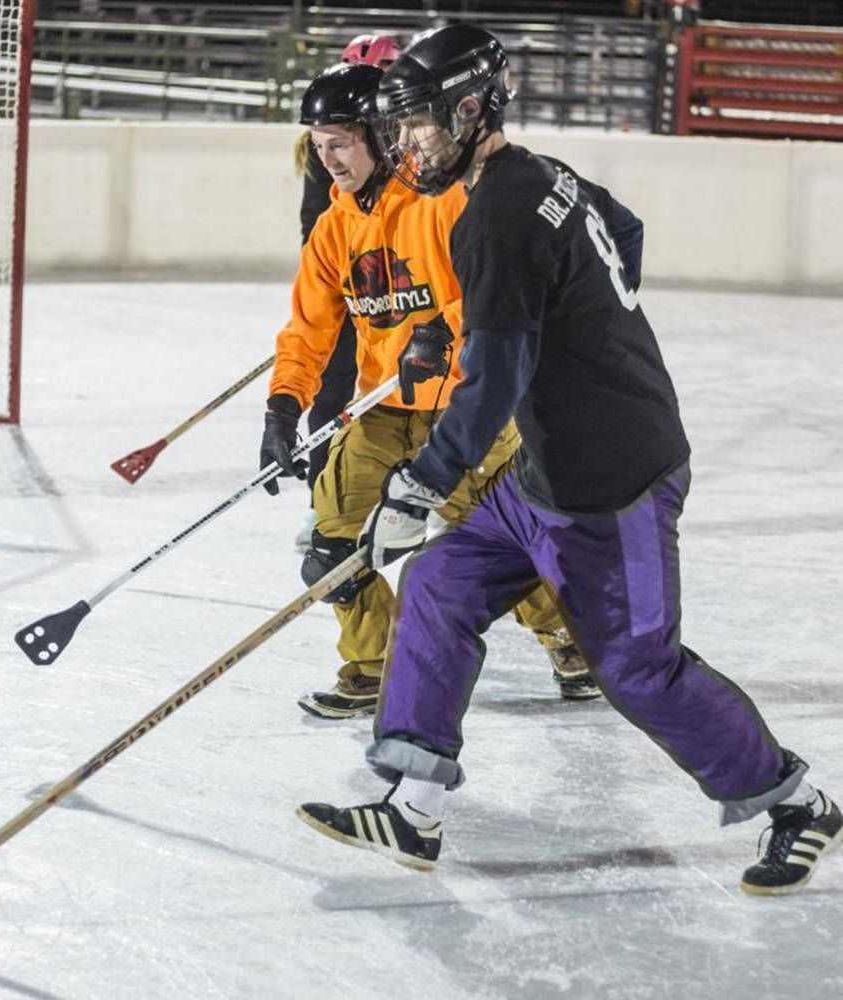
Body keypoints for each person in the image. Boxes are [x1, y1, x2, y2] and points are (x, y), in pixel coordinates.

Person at [297, 23, 839, 895]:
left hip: (610, 483)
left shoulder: (496, 216)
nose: (406, 146)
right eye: (396, 128)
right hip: (540, 478)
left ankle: (797, 801)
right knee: (439, 584)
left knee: (636, 669)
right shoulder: (541, 178)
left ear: (472, 110)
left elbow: (499, 378)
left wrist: (423, 481)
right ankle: (414, 805)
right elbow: (622, 231)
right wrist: (486, 318)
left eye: (422, 125)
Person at [261, 61, 599, 721]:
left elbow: (486, 292)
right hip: (383, 413)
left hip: (465, 409)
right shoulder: (333, 228)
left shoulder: (440, 202)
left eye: (343, 143)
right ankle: (376, 665)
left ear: (382, 137)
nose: (330, 158)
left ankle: (571, 638)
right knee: (330, 545)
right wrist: (283, 406)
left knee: (503, 539)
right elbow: (307, 331)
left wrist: (441, 333)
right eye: (319, 145)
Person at [293, 34, 404, 552]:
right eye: (322, 145)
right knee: (334, 393)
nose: (330, 155)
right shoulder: (329, 148)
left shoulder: (415, 161)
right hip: (351, 282)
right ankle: (326, 504)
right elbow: (320, 222)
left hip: (391, 288)